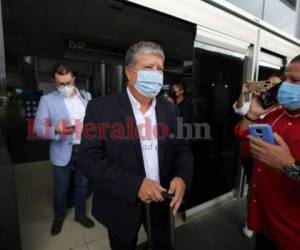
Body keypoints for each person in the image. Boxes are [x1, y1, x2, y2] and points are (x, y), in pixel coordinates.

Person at [78, 41, 194, 250]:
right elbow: (89, 159)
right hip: (120, 203)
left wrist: (182, 177)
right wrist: (135, 185)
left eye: (160, 69)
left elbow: (182, 149)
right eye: (148, 68)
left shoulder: (169, 110)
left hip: (161, 200)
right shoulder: (101, 108)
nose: (156, 74)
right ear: (130, 73)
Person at [235, 55, 300, 250]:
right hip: (263, 222)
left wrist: (288, 166)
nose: (285, 85)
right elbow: (245, 139)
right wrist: (252, 114)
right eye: (285, 78)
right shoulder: (275, 112)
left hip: (291, 236)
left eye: (295, 81)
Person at [34, 63, 95, 235]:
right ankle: (58, 217)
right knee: (61, 189)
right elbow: (37, 129)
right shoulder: (47, 100)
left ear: (74, 79)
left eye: (68, 83)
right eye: (60, 84)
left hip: (84, 149)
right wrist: (55, 129)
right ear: (54, 81)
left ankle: (80, 215)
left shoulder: (86, 96)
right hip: (62, 151)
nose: (65, 87)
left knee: (82, 186)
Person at [233, 74, 283, 238]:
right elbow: (240, 110)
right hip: (250, 153)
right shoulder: (257, 100)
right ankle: (252, 221)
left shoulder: (282, 108)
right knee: (253, 186)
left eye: (275, 86)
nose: (270, 87)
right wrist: (244, 93)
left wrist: (288, 166)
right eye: (268, 83)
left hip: (271, 158)